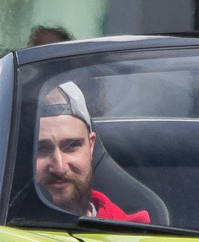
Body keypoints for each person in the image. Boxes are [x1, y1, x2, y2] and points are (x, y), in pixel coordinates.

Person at [29, 81, 149, 222]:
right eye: (41, 149)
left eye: (72, 145)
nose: (59, 168)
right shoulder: (1, 234)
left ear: (91, 146)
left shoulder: (132, 237)